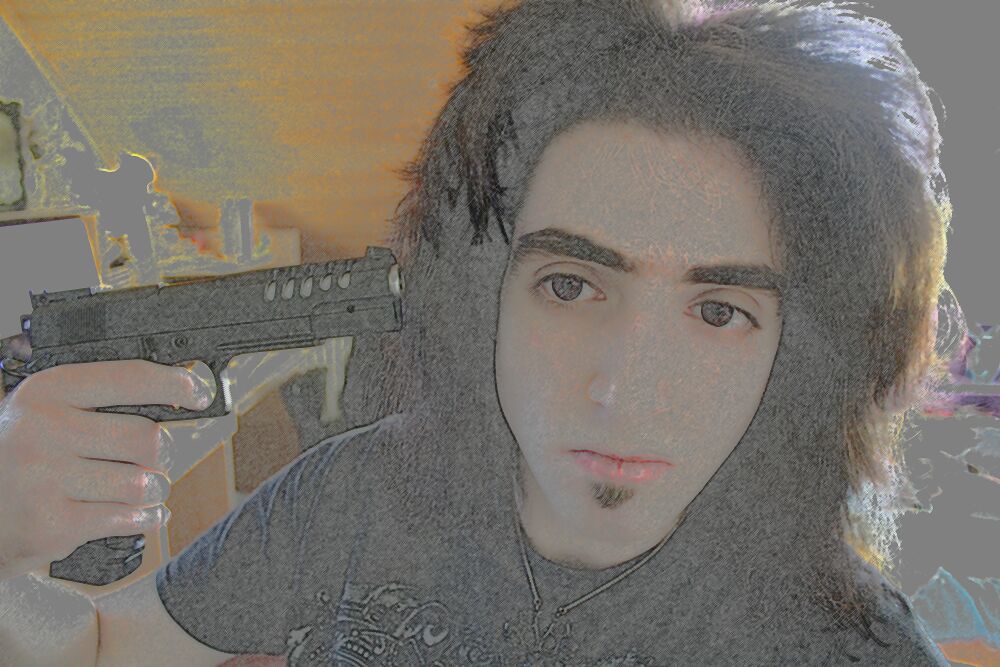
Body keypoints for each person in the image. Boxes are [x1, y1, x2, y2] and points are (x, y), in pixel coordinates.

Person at [0, 0, 960, 663]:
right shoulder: (354, 492)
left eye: (718, 312)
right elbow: (94, 646)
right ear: (479, 295)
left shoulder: (845, 644)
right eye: (570, 286)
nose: (624, 389)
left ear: (799, 357)